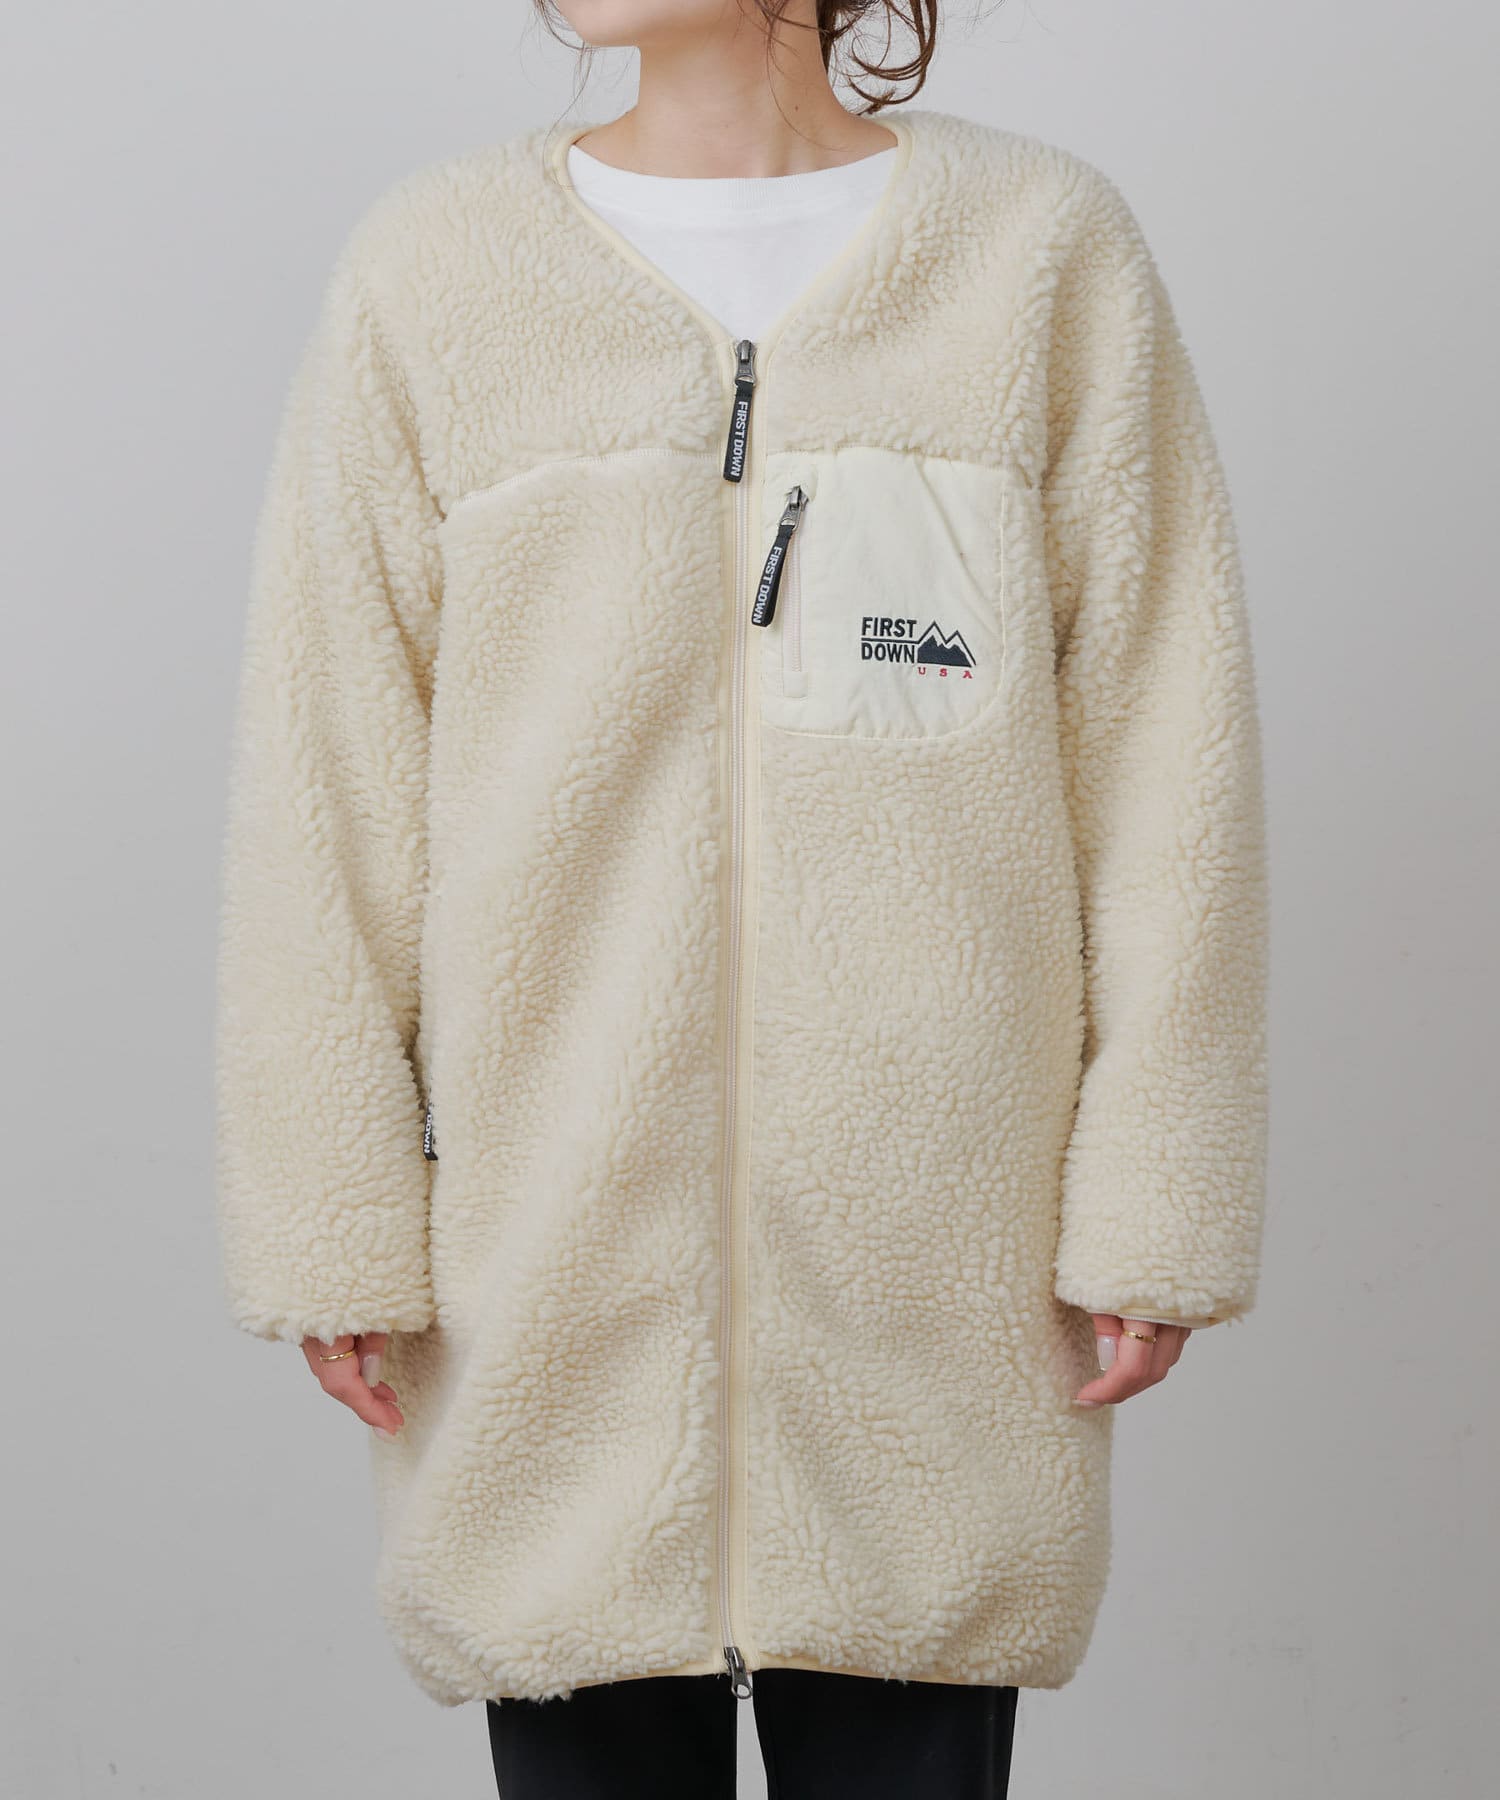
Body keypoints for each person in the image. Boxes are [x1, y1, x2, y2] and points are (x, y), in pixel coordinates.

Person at [212, 1, 1271, 1794]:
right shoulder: (437, 272)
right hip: (550, 1291)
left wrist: (1156, 1193)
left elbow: (1171, 760)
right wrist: (332, 1215)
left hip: (933, 1303)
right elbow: (325, 784)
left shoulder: (1035, 256)